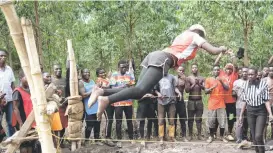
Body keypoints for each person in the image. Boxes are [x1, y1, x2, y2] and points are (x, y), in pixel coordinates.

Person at [88, 24, 229, 119]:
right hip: (162, 59)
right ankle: (106, 100)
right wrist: (221, 49)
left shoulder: (182, 35)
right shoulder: (195, 36)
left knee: (138, 91)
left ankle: (102, 92)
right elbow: (213, 51)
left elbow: (177, 55)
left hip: (154, 56)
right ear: (200, 33)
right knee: (139, 91)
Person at [239, 67, 273, 153]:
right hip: (250, 111)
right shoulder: (245, 85)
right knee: (254, 136)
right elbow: (244, 101)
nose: (250, 76)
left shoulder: (263, 84)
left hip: (261, 111)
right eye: (249, 75)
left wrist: (270, 113)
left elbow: (266, 100)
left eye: (252, 74)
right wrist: (241, 115)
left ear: (256, 74)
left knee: (258, 135)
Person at [12, 71, 38, 153]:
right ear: (21, 78)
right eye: (27, 78)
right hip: (22, 122)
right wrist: (20, 122)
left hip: (31, 121)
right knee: (24, 143)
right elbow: (15, 108)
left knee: (30, 142)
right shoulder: (17, 91)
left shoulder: (30, 90)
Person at [106, 60, 135, 148]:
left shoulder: (129, 74)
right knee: (118, 121)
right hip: (118, 102)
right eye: (122, 67)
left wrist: (129, 87)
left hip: (128, 101)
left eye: (125, 67)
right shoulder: (114, 75)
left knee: (129, 120)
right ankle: (119, 139)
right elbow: (112, 88)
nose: (124, 69)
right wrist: (122, 87)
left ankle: (131, 138)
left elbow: (132, 86)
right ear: (118, 67)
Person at [205, 65, 229, 143]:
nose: (216, 71)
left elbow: (227, 88)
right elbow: (206, 91)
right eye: (215, 70)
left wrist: (221, 81)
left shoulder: (224, 79)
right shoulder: (208, 79)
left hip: (221, 104)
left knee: (222, 121)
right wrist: (212, 88)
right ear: (212, 71)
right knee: (211, 121)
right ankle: (211, 136)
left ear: (220, 71)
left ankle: (222, 137)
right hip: (212, 103)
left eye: (218, 70)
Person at [155, 73, 181, 144]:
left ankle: (172, 137)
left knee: (172, 120)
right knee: (161, 121)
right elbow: (155, 89)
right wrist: (158, 94)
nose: (165, 68)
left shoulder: (172, 77)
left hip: (171, 101)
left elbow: (175, 87)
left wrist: (179, 93)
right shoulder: (157, 76)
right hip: (161, 102)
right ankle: (161, 137)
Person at [78, 69, 102, 146]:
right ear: (81, 74)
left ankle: (97, 139)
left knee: (97, 123)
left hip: (96, 105)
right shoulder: (81, 83)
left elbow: (96, 91)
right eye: (85, 72)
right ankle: (87, 140)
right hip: (89, 107)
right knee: (89, 125)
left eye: (88, 72)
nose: (87, 73)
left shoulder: (92, 81)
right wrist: (94, 90)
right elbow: (84, 95)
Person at [185, 63, 205, 140]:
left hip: (199, 100)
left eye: (195, 67)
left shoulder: (201, 78)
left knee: (199, 119)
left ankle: (199, 135)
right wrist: (194, 84)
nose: (194, 69)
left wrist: (199, 84)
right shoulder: (188, 78)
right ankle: (190, 135)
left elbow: (204, 88)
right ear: (191, 69)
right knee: (190, 119)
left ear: (197, 69)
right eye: (193, 68)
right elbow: (187, 90)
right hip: (191, 101)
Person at [0, 49, 16, 138]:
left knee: (11, 122)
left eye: (4, 56)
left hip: (9, 100)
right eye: (1, 56)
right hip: (0, 102)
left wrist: (15, 96)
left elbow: (12, 83)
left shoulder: (9, 69)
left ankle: (11, 142)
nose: (3, 57)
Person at [51, 64, 68, 147]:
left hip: (63, 105)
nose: (58, 70)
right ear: (53, 70)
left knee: (63, 125)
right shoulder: (50, 79)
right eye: (56, 69)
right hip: (54, 106)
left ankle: (61, 142)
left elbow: (68, 91)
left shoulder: (65, 79)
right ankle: (54, 143)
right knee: (54, 125)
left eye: (60, 69)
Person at [233, 66, 249, 145]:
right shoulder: (236, 82)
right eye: (244, 72)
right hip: (239, 105)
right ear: (241, 72)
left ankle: (245, 138)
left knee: (246, 123)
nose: (245, 73)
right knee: (240, 122)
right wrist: (235, 91)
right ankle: (239, 139)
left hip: (249, 106)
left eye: (246, 72)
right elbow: (233, 95)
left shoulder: (251, 81)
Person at [174, 66, 188, 142]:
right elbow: (172, 87)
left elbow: (187, 90)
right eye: (180, 70)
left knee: (182, 119)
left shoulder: (185, 79)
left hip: (181, 101)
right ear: (177, 70)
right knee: (174, 119)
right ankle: (174, 136)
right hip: (173, 101)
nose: (181, 72)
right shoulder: (173, 78)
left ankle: (184, 136)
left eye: (182, 70)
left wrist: (185, 80)